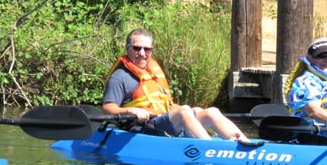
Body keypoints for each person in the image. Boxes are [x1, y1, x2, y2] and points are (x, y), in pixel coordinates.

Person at [102, 28, 248, 140]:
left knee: (210, 112)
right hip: (144, 128)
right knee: (184, 111)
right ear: (128, 49)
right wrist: (130, 111)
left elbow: (167, 105)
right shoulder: (119, 77)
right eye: (136, 48)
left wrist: (191, 111)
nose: (142, 53)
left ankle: (244, 143)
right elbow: (107, 108)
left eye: (147, 49)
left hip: (162, 122)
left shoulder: (152, 73)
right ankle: (208, 149)